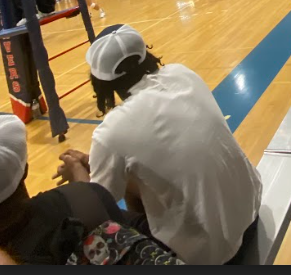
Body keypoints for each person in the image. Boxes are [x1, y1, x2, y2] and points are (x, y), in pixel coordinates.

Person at [53, 24, 263, 265]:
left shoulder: (112, 130)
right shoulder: (181, 73)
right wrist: (94, 161)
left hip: (210, 254)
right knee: (134, 178)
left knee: (92, 232)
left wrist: (76, 173)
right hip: (251, 209)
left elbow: (99, 211)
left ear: (100, 81)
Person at [0, 115, 183, 265]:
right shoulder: (72, 205)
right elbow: (102, 221)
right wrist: (84, 189)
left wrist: (83, 188)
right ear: (24, 168)